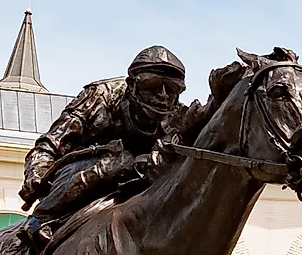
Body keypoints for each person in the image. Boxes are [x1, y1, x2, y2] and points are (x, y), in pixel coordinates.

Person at [17, 45, 186, 242]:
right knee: (120, 161)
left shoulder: (177, 117)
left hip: (140, 175)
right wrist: (36, 174)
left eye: (172, 89)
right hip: (81, 172)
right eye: (153, 86)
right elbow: (51, 143)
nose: (163, 96)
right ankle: (42, 217)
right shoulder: (100, 96)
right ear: (132, 84)